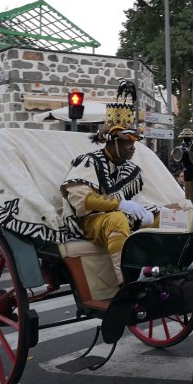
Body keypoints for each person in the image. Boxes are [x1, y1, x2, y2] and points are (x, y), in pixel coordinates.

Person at [61, 79, 160, 286]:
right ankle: (127, 282)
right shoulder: (89, 161)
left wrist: (145, 211)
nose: (133, 148)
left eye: (134, 143)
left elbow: (135, 199)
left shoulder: (129, 168)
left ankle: (161, 271)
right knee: (116, 219)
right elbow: (83, 200)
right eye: (127, 142)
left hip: (119, 218)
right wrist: (121, 204)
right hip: (90, 223)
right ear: (113, 142)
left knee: (164, 216)